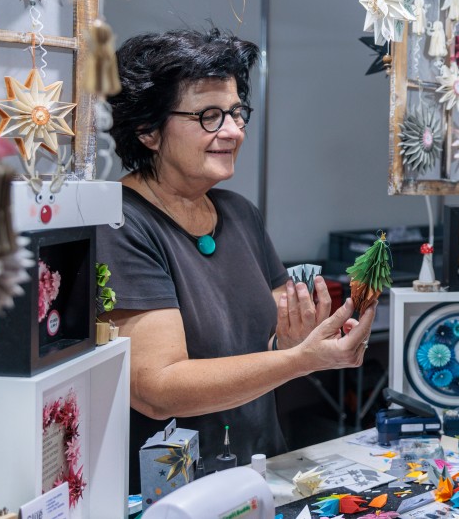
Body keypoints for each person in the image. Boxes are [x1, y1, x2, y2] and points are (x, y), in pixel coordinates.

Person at [97, 29, 375, 489]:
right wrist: (302, 360)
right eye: (208, 116)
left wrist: (306, 341)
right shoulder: (121, 222)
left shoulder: (239, 213)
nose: (232, 131)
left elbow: (271, 347)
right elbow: (157, 389)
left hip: (258, 472)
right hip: (174, 494)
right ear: (147, 130)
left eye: (235, 112)